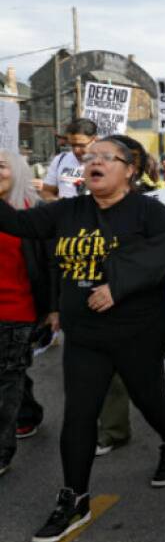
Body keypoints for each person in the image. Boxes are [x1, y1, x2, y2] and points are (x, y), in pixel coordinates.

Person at [0, 135, 165, 542]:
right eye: (89, 158)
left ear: (129, 169)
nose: (93, 162)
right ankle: (75, 497)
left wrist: (117, 286)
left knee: (148, 397)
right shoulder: (69, 210)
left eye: (106, 157)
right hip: (84, 333)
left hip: (137, 330)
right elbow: (17, 224)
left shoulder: (147, 211)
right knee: (80, 413)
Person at [0, 150, 55, 476]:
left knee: (6, 378)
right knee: (13, 372)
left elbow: (49, 265)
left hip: (16, 309)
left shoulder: (33, 210)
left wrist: (53, 309)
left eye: (2, 166)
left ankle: (2, 451)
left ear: (17, 171)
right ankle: (29, 412)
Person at [42, 118, 98, 200]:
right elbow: (46, 191)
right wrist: (59, 204)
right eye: (72, 145)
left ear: (94, 140)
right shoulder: (60, 160)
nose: (76, 150)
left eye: (81, 145)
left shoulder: (107, 163)